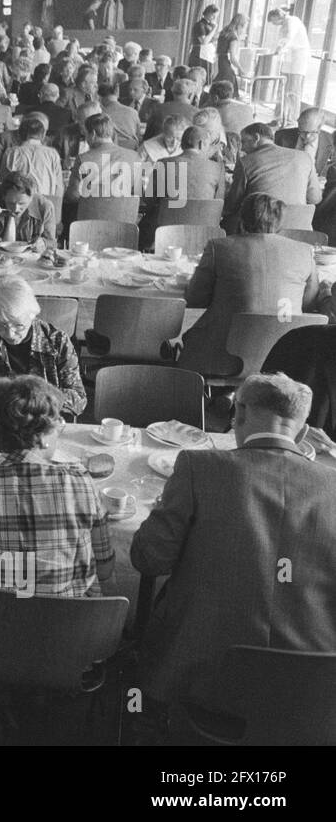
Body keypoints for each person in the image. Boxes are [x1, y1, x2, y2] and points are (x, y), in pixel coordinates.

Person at [131, 373, 336, 712]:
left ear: (237, 416)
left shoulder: (199, 466)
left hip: (198, 673)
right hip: (310, 688)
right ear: (301, 433)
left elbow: (148, 560)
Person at [0, 375, 113, 674]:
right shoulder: (82, 481)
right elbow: (106, 569)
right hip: (70, 646)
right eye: (58, 422)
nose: (60, 428)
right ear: (44, 436)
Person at [179, 193, 320, 377]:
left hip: (222, 357)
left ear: (242, 219)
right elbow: (309, 304)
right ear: (280, 222)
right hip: (286, 357)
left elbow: (195, 299)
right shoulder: (304, 252)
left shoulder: (218, 247)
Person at [0, 277, 86, 418]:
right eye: (0, 325)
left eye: (18, 325)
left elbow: (79, 398)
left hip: (41, 425)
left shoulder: (56, 341)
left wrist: (40, 400)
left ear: (32, 314)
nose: (10, 334)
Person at [224, 123, 323, 231]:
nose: (242, 148)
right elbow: (315, 198)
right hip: (299, 231)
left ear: (256, 138)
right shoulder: (304, 158)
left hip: (261, 229)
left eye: (244, 142)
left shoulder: (245, 162)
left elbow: (232, 205)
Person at [0, 117, 63, 200]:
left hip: (19, 203)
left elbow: (2, 184)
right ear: (43, 135)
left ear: (19, 135)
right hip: (46, 202)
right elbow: (58, 187)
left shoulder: (12, 153)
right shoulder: (53, 154)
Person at [268, 6, 310, 126]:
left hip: (298, 59)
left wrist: (279, 50)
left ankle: (291, 119)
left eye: (273, 20)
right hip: (289, 59)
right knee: (283, 89)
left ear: (277, 16)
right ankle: (279, 117)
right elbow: (282, 41)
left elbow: (288, 38)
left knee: (293, 90)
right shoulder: (284, 24)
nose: (273, 24)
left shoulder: (292, 21)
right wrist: (277, 50)